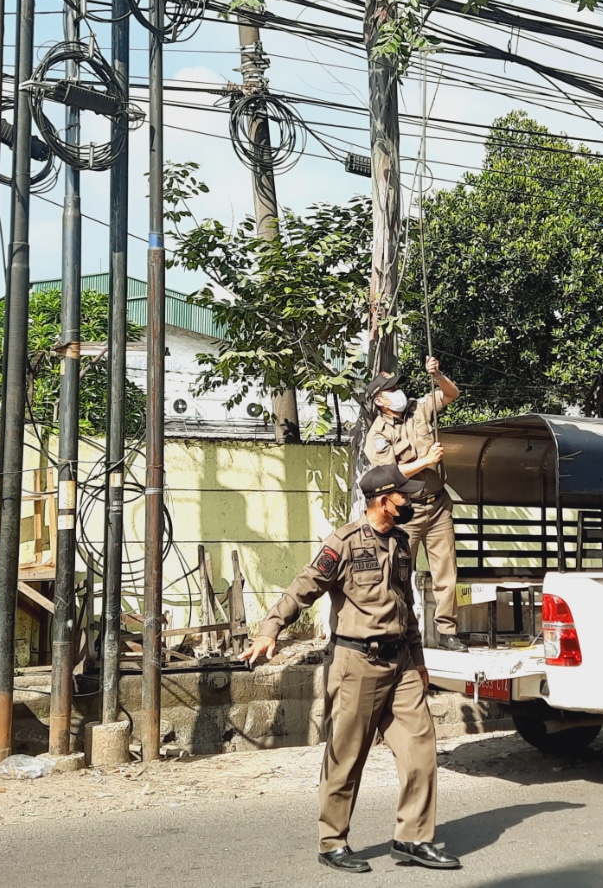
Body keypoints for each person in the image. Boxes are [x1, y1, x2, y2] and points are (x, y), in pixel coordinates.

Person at [246, 464, 461, 875]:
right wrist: (270, 628)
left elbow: (406, 607)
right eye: (405, 496)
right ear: (384, 500)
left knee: (421, 751)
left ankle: (413, 838)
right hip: (355, 664)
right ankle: (332, 841)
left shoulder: (400, 542)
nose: (412, 501)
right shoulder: (342, 543)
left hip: (401, 664)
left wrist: (418, 661)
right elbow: (303, 587)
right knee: (346, 757)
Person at [362, 355, 463, 651]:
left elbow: (450, 394)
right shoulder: (378, 436)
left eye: (398, 386)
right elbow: (390, 474)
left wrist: (437, 375)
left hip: (439, 504)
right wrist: (426, 461)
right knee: (399, 573)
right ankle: (398, 633)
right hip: (408, 511)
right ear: (380, 401)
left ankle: (447, 632)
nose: (399, 392)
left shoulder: (419, 409)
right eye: (391, 389)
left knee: (447, 571)